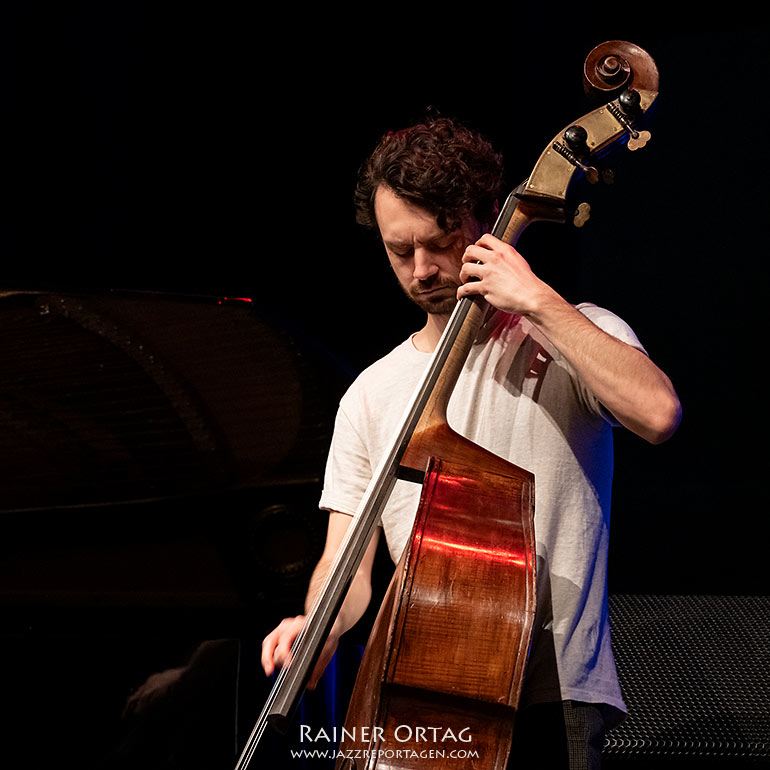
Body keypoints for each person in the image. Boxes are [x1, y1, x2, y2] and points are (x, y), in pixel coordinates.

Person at [261, 116, 681, 768]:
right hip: (420, 690)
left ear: (489, 221)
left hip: (555, 694)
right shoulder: (371, 393)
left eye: (441, 243)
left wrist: (538, 301)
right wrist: (317, 626)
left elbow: (657, 413)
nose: (423, 269)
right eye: (400, 252)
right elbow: (346, 567)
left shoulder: (574, 334)